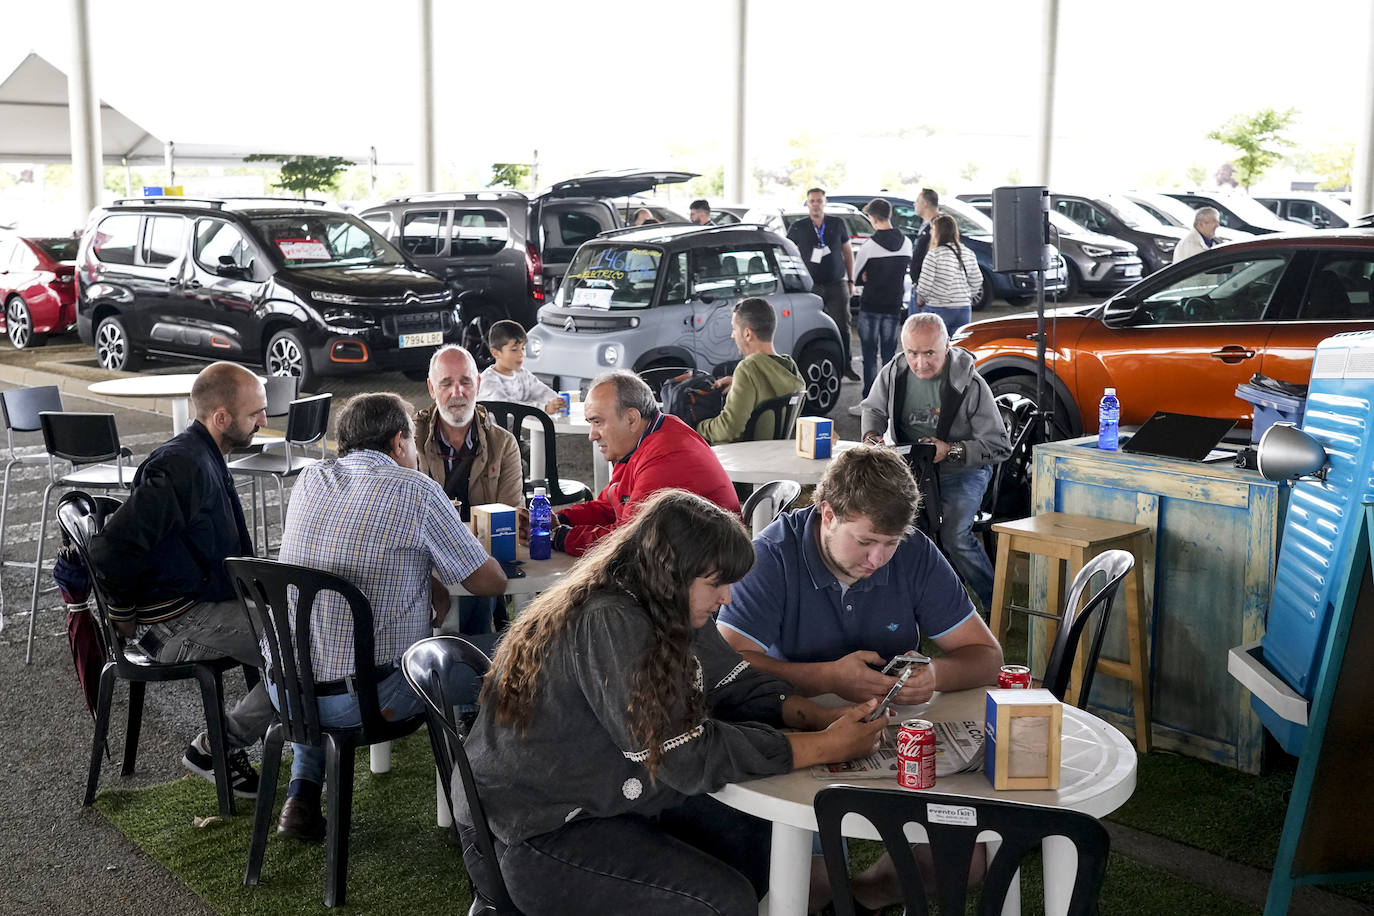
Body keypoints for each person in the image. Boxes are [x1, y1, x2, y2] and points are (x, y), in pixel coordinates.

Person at [455, 489, 888, 916]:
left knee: (757, 834)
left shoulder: (662, 598)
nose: (727, 598)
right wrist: (828, 746)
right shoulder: (610, 620)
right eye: (716, 584)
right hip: (537, 833)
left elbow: (732, 684)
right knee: (723, 902)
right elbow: (681, 753)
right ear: (672, 571)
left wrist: (822, 717)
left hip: (599, 799)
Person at [717, 446, 1003, 913]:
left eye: (890, 543)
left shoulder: (912, 553)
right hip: (796, 734)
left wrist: (934, 674)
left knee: (965, 861)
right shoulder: (770, 555)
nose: (878, 558)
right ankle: (837, 894)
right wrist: (830, 676)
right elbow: (727, 668)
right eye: (866, 541)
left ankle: (863, 898)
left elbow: (987, 655)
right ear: (827, 514)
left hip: (887, 732)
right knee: (811, 879)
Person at [273, 392, 508, 839]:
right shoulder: (416, 490)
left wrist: (429, 575)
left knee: (319, 648)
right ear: (400, 442)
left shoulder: (309, 479)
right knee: (518, 654)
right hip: (374, 698)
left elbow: (354, 554)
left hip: (289, 693)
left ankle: (301, 793)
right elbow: (489, 583)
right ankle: (485, 798)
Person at [89, 362, 273, 798]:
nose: (264, 421)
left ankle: (272, 738)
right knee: (308, 643)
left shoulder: (201, 454)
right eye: (256, 414)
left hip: (195, 607)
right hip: (173, 625)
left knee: (305, 630)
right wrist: (122, 613)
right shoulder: (181, 465)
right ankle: (217, 746)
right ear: (221, 418)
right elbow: (110, 548)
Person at [858, 313, 1011, 614]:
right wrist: (871, 435)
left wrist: (951, 450)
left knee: (954, 535)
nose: (920, 362)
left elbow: (999, 446)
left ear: (947, 347)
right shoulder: (894, 372)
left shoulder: (970, 384)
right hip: (913, 471)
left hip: (963, 470)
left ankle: (996, 606)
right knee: (889, 528)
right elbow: (872, 408)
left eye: (930, 353)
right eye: (912, 353)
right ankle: (907, 607)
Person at [549, 370, 740, 555]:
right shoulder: (643, 441)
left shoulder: (666, 455)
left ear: (631, 419)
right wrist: (556, 520)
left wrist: (559, 536)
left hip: (705, 575)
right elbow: (609, 506)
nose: (592, 435)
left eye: (598, 422)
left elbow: (629, 542)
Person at [414, 344, 524, 634]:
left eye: (465, 382)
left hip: (479, 558)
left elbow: (510, 516)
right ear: (431, 389)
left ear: (478, 384)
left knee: (478, 588)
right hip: (425, 560)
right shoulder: (410, 442)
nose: (457, 393)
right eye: (446, 384)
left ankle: (469, 668)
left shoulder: (503, 444)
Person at [696, 297, 804, 445]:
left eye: (734, 329)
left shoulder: (748, 369)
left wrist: (698, 426)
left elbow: (728, 430)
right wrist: (738, 384)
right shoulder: (790, 370)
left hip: (742, 459)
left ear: (747, 333)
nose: (732, 335)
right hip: (775, 455)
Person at [786, 188, 859, 382]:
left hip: (837, 283)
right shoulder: (798, 226)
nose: (816, 204)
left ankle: (846, 366)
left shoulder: (837, 223)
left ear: (825, 202)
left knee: (843, 325)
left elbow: (847, 253)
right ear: (807, 203)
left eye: (819, 200)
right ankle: (807, 366)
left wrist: (850, 280)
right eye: (812, 201)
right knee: (808, 326)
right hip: (810, 286)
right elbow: (787, 254)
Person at [852, 198, 913, 403]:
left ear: (873, 218)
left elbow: (856, 275)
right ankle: (889, 398)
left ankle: (869, 400)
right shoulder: (906, 243)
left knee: (869, 355)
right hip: (893, 306)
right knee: (889, 355)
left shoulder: (869, 246)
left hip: (870, 305)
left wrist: (866, 276)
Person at [914, 213, 983, 337]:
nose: (930, 232)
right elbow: (977, 279)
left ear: (938, 232)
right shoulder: (968, 253)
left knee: (937, 347)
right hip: (963, 309)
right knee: (957, 347)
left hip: (939, 308)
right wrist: (965, 296)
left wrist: (920, 299)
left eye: (932, 229)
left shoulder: (934, 255)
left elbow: (924, 285)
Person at [477, 320, 564, 414]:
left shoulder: (523, 374)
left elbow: (542, 392)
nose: (521, 354)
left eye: (523, 348)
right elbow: (508, 407)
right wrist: (545, 408)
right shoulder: (487, 382)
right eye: (514, 350)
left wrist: (558, 401)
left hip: (523, 426)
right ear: (495, 353)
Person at [907, 187, 939, 310]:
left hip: (928, 293)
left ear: (925, 204)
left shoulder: (938, 226)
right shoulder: (926, 225)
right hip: (919, 287)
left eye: (917, 201)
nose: (914, 204)